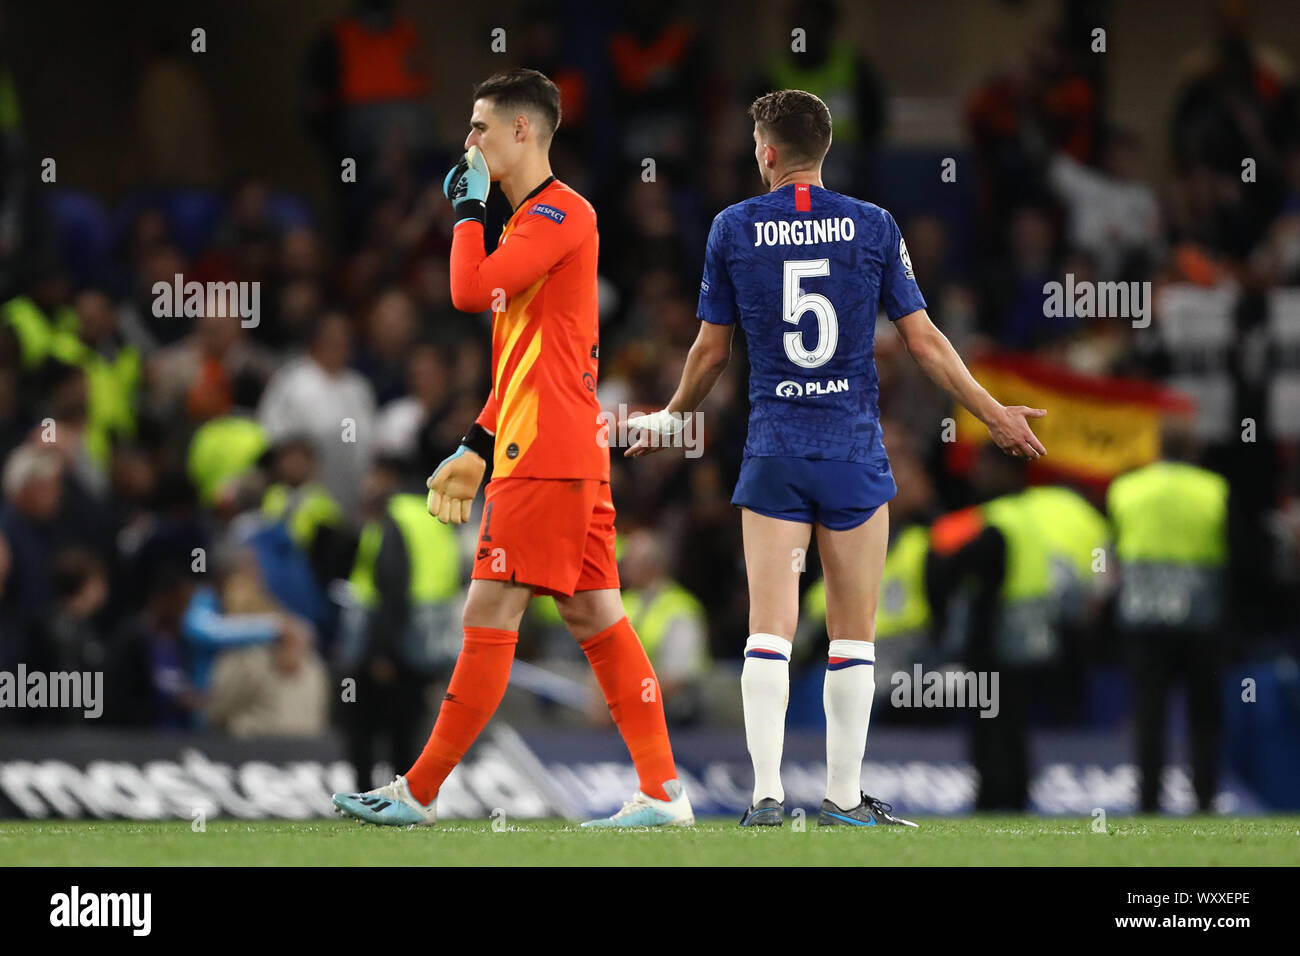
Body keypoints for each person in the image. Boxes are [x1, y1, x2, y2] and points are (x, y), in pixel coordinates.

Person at [628, 89, 1046, 827]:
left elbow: (710, 353)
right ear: (821, 152)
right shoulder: (874, 226)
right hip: (852, 451)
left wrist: (670, 420)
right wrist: (993, 413)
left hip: (775, 451)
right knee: (853, 636)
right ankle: (845, 798)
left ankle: (763, 797)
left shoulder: (732, 228)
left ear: (767, 152)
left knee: (769, 628)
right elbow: (924, 343)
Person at [332, 69, 692, 828]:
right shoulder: (533, 222)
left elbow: (467, 291)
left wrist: (465, 208)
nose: (469, 142)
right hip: (555, 446)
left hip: (551, 454)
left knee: (490, 607)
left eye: (479, 127)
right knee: (598, 618)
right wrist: (474, 446)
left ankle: (419, 792)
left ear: (522, 131)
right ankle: (663, 794)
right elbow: (525, 369)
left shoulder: (561, 213)